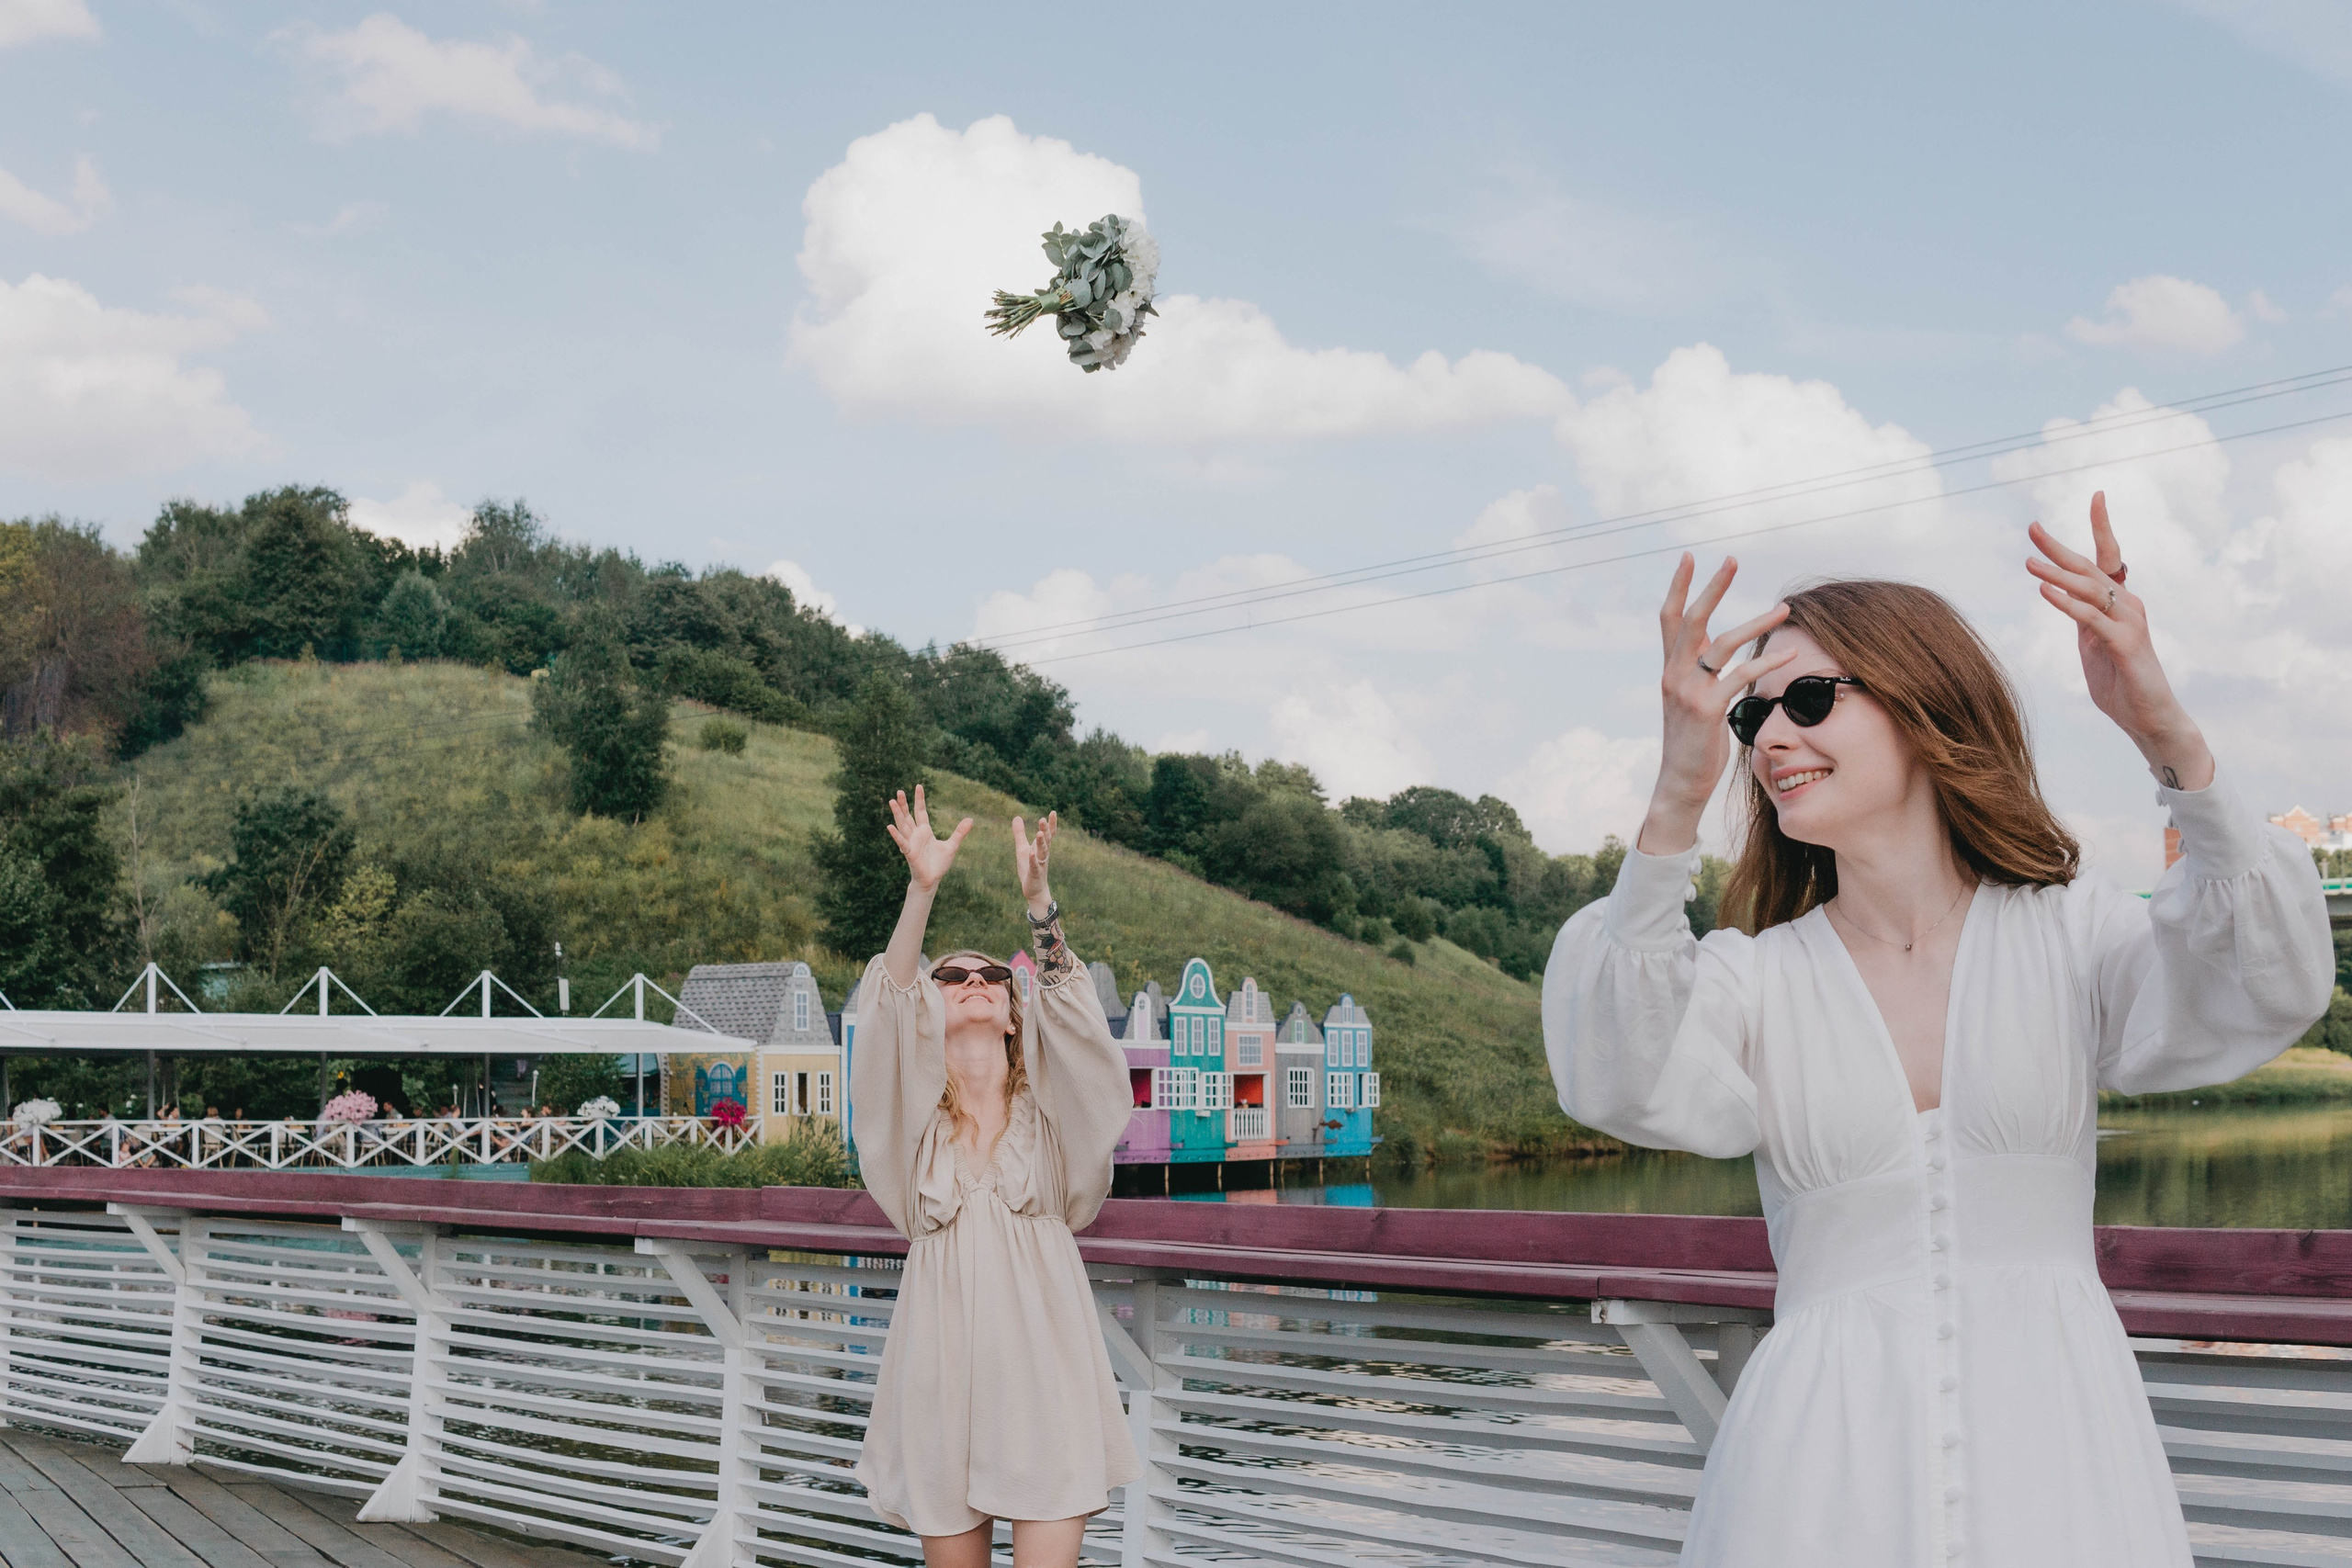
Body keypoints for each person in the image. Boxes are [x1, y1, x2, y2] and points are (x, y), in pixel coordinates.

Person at [1544, 492, 2332, 1568]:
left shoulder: (2071, 935)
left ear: (1923, 705)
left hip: (2058, 1465)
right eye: (1749, 716)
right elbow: (1612, 1076)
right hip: (1814, 1484)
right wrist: (1675, 800)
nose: (1771, 736)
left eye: (1809, 699)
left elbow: (2266, 982)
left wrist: (2161, 728)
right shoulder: (1755, 982)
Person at [851, 786, 1140, 1568]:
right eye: (954, 976)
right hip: (939, 1364)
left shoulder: (1050, 1118)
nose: (975, 979)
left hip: (1046, 1358)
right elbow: (886, 1008)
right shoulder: (912, 1134)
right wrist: (922, 889)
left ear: (1014, 1012)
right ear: (930, 1008)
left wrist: (1040, 904)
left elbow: (1078, 1025)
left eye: (989, 976)